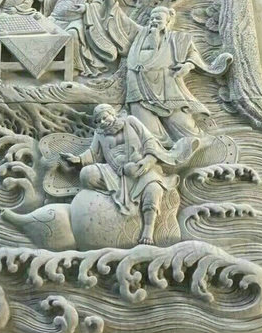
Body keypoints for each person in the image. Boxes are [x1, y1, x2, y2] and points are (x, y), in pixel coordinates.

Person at [62, 104, 199, 245]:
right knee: (87, 174)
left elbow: (149, 141)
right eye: (98, 121)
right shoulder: (100, 133)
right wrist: (78, 159)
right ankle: (115, 197)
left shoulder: (130, 121)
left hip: (140, 167)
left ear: (112, 114)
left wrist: (147, 162)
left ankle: (148, 228)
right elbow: (93, 153)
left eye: (104, 118)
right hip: (115, 171)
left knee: (153, 188)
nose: (102, 122)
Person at [126, 6, 233, 147]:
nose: (153, 21)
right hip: (138, 85)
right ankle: (158, 150)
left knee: (182, 122)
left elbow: (192, 53)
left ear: (167, 21)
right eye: (151, 19)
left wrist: (188, 65)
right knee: (146, 128)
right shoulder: (140, 36)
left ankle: (204, 145)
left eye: (158, 19)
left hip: (167, 83)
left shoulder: (178, 38)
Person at [43, 0, 134, 77]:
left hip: (76, 18)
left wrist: (86, 7)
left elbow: (99, 3)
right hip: (56, 16)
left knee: (73, 34)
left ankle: (75, 66)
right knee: (43, 31)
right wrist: (44, 0)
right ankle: (43, 64)